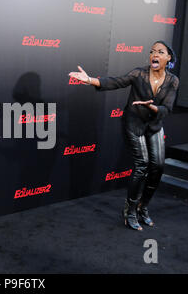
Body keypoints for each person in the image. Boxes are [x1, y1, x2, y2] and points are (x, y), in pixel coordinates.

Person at [69, 41, 179, 231]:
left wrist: (151, 107)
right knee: (142, 165)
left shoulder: (172, 81)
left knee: (158, 167)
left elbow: (166, 108)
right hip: (134, 123)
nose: (155, 54)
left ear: (168, 58)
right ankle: (130, 211)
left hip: (154, 125)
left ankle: (142, 207)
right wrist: (90, 80)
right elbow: (115, 81)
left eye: (160, 52)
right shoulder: (138, 74)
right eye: (152, 51)